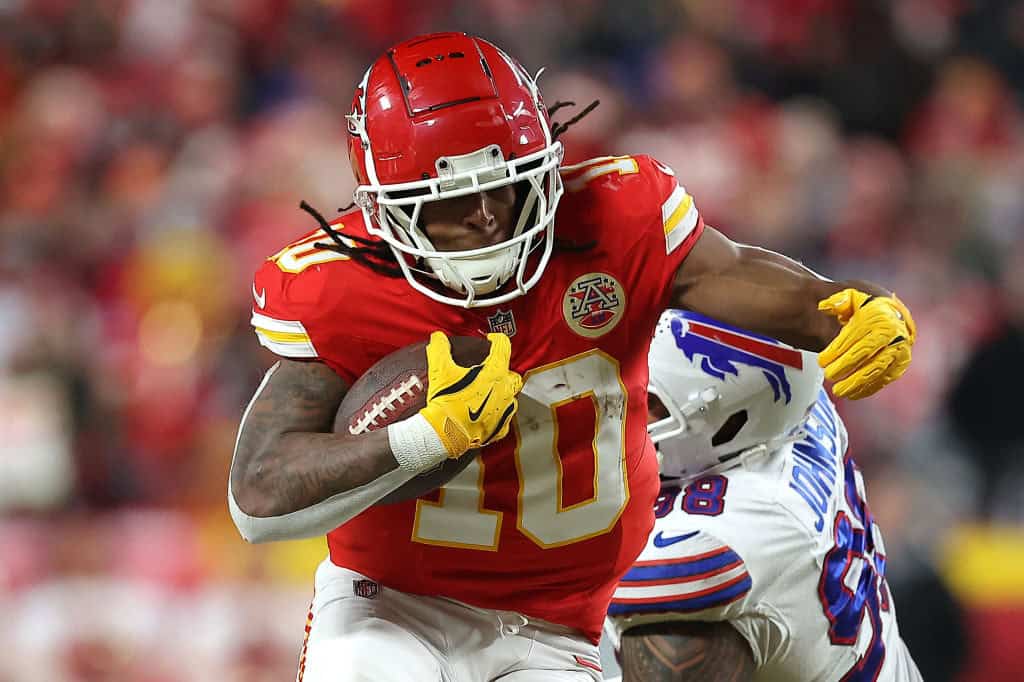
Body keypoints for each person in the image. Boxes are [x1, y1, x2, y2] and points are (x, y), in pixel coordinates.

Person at [227, 32, 917, 682]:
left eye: (505, 184)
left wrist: (853, 305)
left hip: (556, 627)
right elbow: (258, 495)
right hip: (391, 604)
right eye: (454, 199)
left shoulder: (614, 218)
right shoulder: (342, 290)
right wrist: (422, 440)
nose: (486, 215)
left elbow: (733, 271)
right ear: (384, 210)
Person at [604, 309, 923, 681]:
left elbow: (567, 575)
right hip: (858, 655)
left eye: (646, 398)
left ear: (726, 420)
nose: (622, 408)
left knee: (664, 636)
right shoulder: (784, 400)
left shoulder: (739, 530)